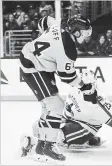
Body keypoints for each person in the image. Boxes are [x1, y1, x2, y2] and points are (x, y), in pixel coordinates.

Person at [20, 70, 112, 158]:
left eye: (90, 86)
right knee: (36, 126)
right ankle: (87, 141)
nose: (86, 89)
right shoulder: (75, 88)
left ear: (94, 85)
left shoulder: (100, 103)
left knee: (58, 135)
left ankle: (34, 144)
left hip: (84, 127)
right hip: (71, 119)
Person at [19, 14, 93, 161]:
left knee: (49, 107)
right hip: (33, 67)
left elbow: (44, 20)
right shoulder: (69, 49)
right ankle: (49, 145)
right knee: (57, 106)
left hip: (36, 62)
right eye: (85, 32)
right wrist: (84, 86)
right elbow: (67, 77)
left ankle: (41, 143)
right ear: (77, 31)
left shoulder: (58, 24)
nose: (86, 36)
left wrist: (43, 39)